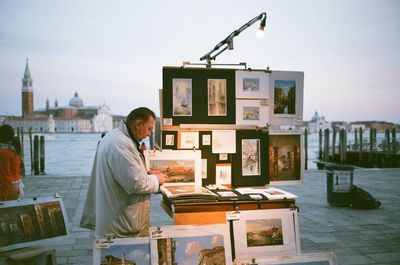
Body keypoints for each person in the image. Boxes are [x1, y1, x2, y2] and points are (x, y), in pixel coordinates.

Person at [80, 107, 167, 238]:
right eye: (149, 128)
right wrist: (157, 179)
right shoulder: (121, 144)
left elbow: (124, 173)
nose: (149, 134)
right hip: (119, 226)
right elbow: (135, 183)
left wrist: (146, 172)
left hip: (115, 219)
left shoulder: (116, 137)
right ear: (138, 124)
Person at [0, 125, 22, 201]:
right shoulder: (13, 151)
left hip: (8, 188)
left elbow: (6, 177)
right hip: (16, 186)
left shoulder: (4, 154)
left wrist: (3, 198)